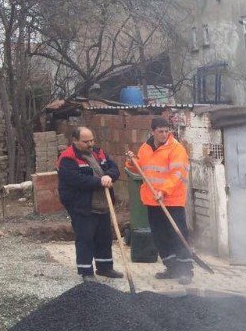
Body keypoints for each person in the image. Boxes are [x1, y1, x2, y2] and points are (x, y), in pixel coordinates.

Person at [126, 117, 194, 284]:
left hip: (172, 200)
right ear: (152, 132)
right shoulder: (145, 148)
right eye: (160, 131)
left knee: (177, 235)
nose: (164, 134)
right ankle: (171, 267)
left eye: (166, 131)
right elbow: (140, 168)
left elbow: (177, 174)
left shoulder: (176, 149)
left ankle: (185, 270)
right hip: (152, 201)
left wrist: (163, 191)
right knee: (160, 236)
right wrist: (131, 160)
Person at [57, 127, 123, 283]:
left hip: (102, 203)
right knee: (85, 238)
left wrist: (109, 175)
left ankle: (105, 267)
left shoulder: (99, 153)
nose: (90, 144)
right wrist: (100, 181)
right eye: (85, 141)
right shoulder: (67, 158)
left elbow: (114, 169)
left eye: (92, 140)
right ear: (75, 141)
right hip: (82, 205)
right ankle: (86, 271)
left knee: (104, 238)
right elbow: (77, 180)